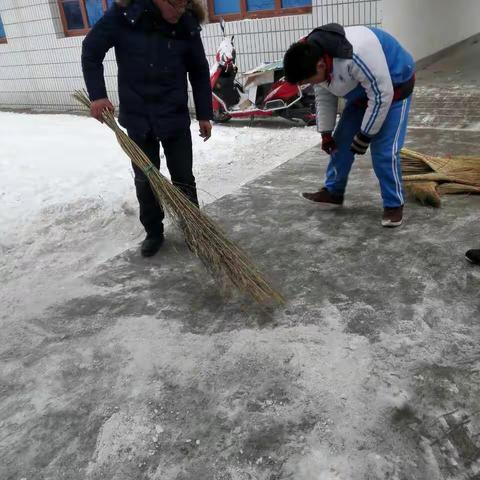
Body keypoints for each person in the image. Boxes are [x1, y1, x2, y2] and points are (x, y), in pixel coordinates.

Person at [82, 0, 213, 256]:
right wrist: (97, 95)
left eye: (186, 5)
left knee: (184, 177)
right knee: (145, 180)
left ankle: (194, 227)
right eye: (176, 5)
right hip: (138, 115)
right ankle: (154, 231)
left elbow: (199, 70)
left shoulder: (186, 23)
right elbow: (91, 50)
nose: (181, 11)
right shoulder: (125, 16)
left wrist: (205, 114)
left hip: (173, 114)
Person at [284, 23, 415, 227]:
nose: (308, 84)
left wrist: (365, 135)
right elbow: (324, 95)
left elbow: (382, 96)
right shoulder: (309, 54)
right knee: (341, 142)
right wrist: (326, 133)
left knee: (384, 152)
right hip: (362, 93)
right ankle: (333, 192)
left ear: (320, 65)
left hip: (395, 88)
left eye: (307, 80)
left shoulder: (357, 54)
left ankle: (393, 204)